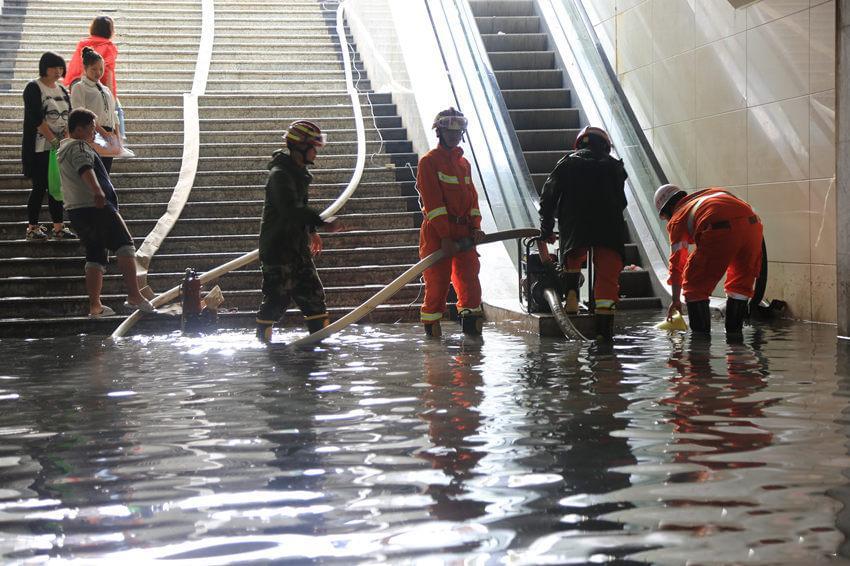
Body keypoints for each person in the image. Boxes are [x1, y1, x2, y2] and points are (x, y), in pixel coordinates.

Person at [56, 109, 154, 317]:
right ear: (79, 129)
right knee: (125, 244)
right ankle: (134, 295)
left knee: (95, 254)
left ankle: (95, 306)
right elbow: (85, 169)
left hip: (77, 211)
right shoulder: (80, 146)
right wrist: (98, 191)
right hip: (95, 206)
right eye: (92, 128)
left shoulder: (63, 150)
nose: (94, 133)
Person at [255, 120, 345, 343]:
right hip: (278, 250)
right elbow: (290, 209)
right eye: (314, 147)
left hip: (297, 249)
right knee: (277, 300)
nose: (316, 152)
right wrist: (322, 221)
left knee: (313, 297)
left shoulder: (298, 173)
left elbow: (299, 206)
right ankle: (263, 346)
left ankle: (319, 346)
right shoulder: (280, 175)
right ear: (300, 147)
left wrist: (312, 230)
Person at [538, 125, 628, 341]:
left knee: (573, 259)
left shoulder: (567, 163)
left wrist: (547, 229)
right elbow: (622, 202)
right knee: (607, 276)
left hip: (575, 224)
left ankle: (571, 302)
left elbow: (548, 196)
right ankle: (604, 333)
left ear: (579, 144)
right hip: (609, 227)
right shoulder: (615, 167)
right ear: (605, 145)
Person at [654, 183, 763, 337]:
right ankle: (736, 345)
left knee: (694, 285)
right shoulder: (711, 194)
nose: (667, 221)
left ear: (668, 209)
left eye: (665, 217)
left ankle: (700, 349)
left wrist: (676, 300)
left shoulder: (678, 217)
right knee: (739, 287)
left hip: (720, 229)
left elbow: (677, 264)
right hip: (754, 226)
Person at [416, 107, 485, 338]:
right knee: (437, 283)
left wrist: (476, 226)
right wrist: (444, 236)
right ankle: (433, 346)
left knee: (469, 280)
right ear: (440, 133)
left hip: (464, 230)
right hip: (437, 234)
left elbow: (473, 198)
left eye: (458, 132)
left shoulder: (463, 164)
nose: (454, 137)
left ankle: (472, 336)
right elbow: (433, 203)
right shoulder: (429, 162)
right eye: (450, 132)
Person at [21, 51, 76, 241]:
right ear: (44, 67)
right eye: (54, 67)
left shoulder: (62, 90)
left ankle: (59, 227)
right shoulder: (33, 87)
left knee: (56, 187)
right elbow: (36, 118)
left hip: (59, 146)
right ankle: (32, 227)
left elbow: (69, 115)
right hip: (39, 147)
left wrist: (65, 140)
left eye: (61, 68)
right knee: (40, 187)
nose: (58, 71)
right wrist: (54, 140)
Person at [64, 16, 128, 143]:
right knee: (117, 110)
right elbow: (108, 73)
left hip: (77, 82)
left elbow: (74, 66)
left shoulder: (83, 44)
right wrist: (111, 95)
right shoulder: (108, 46)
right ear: (110, 30)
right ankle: (121, 139)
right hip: (99, 86)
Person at [70, 47, 122, 172]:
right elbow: (80, 114)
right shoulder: (79, 87)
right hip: (91, 133)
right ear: (85, 68)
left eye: (101, 69)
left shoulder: (105, 89)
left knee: (105, 173)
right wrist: (103, 132)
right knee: (93, 172)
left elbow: (113, 113)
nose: (98, 72)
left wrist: (117, 135)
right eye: (94, 69)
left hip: (108, 134)